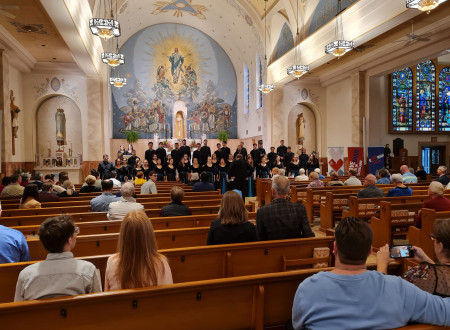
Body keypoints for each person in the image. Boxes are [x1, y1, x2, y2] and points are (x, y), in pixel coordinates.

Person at [292, 217, 450, 330]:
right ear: (369, 251)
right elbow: (445, 312)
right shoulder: (400, 289)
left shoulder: (308, 288)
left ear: (334, 248)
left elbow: (297, 325)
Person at [14, 215, 102, 301]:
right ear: (70, 239)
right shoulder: (88, 270)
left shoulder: (26, 275)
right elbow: (97, 306)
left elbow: (18, 311)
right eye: (75, 231)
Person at [377, 219, 450, 297]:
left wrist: (382, 264)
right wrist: (428, 261)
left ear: (440, 247)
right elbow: (443, 275)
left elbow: (387, 293)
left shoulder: (422, 272)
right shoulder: (438, 273)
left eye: (434, 239)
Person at [104, 210, 173, 291]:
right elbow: (168, 296)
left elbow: (107, 296)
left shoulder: (111, 262)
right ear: (149, 235)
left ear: (123, 236)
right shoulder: (161, 263)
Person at [256, 175, 314, 241]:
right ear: (289, 191)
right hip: (295, 249)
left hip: (271, 250)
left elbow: (259, 238)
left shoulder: (262, 211)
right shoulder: (300, 208)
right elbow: (308, 234)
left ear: (272, 191)